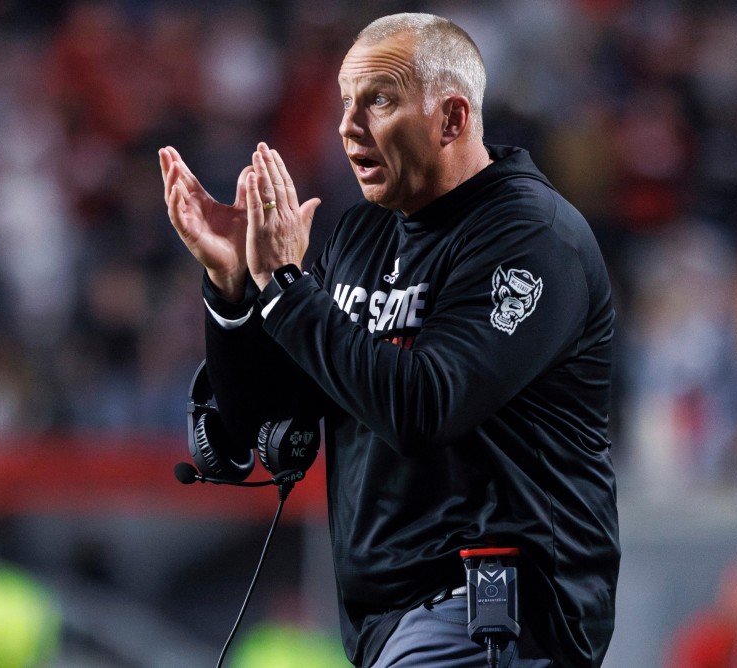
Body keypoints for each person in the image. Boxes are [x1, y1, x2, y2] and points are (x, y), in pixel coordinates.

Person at [159, 12, 618, 667]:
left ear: (452, 118)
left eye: (378, 100)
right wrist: (234, 291)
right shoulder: (359, 237)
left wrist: (285, 288)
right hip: (390, 622)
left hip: (496, 610)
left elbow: (425, 407)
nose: (347, 125)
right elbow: (263, 420)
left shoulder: (532, 238)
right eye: (345, 101)